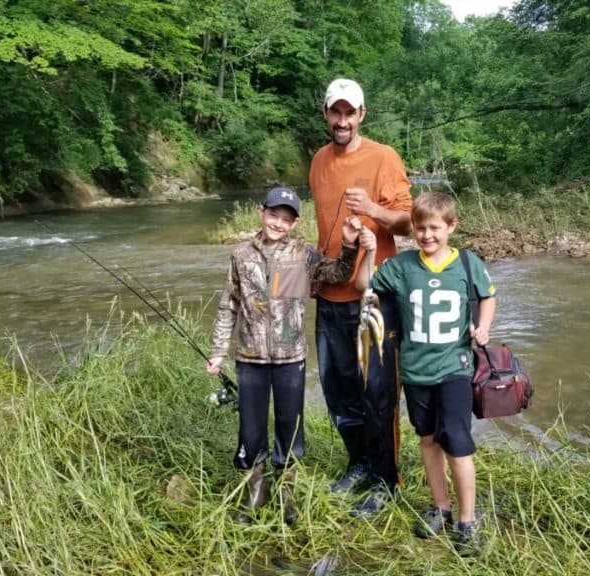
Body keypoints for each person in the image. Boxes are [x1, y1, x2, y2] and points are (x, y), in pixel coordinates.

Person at [205, 186, 375, 525]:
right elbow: (229, 305)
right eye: (273, 216)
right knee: (250, 427)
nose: (278, 224)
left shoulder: (304, 254)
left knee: (290, 425)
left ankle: (287, 492)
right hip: (249, 356)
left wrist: (349, 243)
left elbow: (339, 274)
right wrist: (218, 351)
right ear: (261, 212)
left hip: (291, 357)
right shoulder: (240, 255)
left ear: (295, 223)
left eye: (286, 219)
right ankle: (256, 490)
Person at [362, 191, 496, 553]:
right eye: (420, 228)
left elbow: (488, 296)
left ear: (451, 227)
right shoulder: (402, 266)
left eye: (435, 228)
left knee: (457, 441)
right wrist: (371, 251)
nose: (427, 235)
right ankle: (441, 506)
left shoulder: (468, 264)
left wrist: (483, 327)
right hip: (415, 371)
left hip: (455, 368)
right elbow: (365, 286)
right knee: (428, 439)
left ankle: (467, 519)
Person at [310, 77, 414, 518]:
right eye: (336, 112)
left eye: (350, 113)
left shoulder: (383, 157)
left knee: (378, 392)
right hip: (329, 294)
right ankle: (359, 463)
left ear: (362, 116)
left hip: (374, 296)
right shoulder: (318, 160)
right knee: (338, 390)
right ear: (326, 114)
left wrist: (372, 210)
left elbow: (409, 223)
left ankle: (386, 480)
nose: (342, 120)